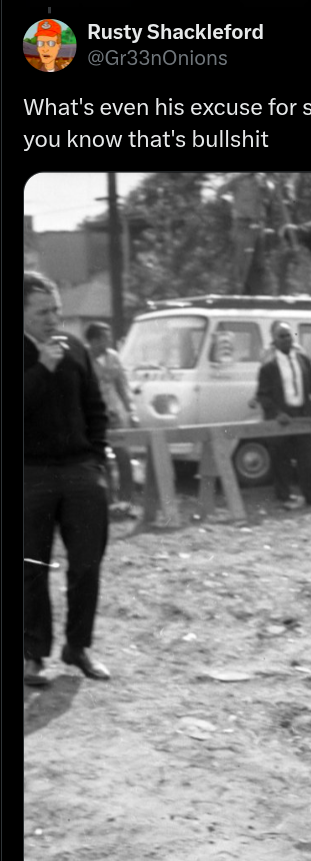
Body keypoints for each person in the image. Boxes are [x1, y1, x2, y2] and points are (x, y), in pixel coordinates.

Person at [24, 272, 111, 686]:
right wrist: (41, 368)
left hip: (80, 470)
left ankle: (78, 647)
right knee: (31, 567)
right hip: (29, 473)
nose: (53, 319)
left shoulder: (75, 348)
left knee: (87, 563)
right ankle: (32, 655)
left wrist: (96, 461)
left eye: (56, 310)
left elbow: (95, 407)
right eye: (42, 312)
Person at [255, 321, 311, 509]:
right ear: (274, 340)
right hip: (282, 419)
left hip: (303, 415)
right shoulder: (268, 366)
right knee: (281, 460)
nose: (286, 339)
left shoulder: (303, 360)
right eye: (281, 336)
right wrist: (277, 414)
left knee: (309, 458)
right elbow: (262, 395)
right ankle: (284, 498)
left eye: (288, 335)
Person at [85, 321, 140, 516]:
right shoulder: (82, 358)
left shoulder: (113, 357)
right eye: (105, 338)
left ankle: (127, 503)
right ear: (94, 340)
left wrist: (131, 411)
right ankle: (108, 502)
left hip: (115, 415)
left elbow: (123, 386)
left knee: (124, 457)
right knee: (100, 461)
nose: (109, 341)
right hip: (93, 418)